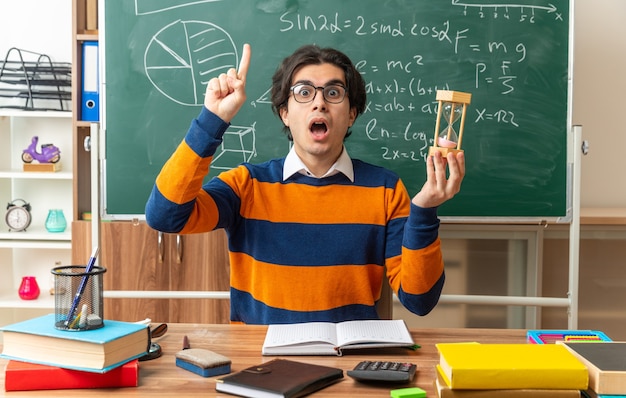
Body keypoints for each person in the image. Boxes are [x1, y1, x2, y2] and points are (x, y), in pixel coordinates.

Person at [145, 44, 465, 324]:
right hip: (261, 361)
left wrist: (424, 211)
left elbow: (419, 301)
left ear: (351, 114)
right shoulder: (247, 185)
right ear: (285, 113)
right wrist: (212, 119)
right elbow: (165, 216)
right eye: (304, 92)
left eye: (334, 92)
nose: (319, 103)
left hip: (350, 361)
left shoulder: (385, 190)